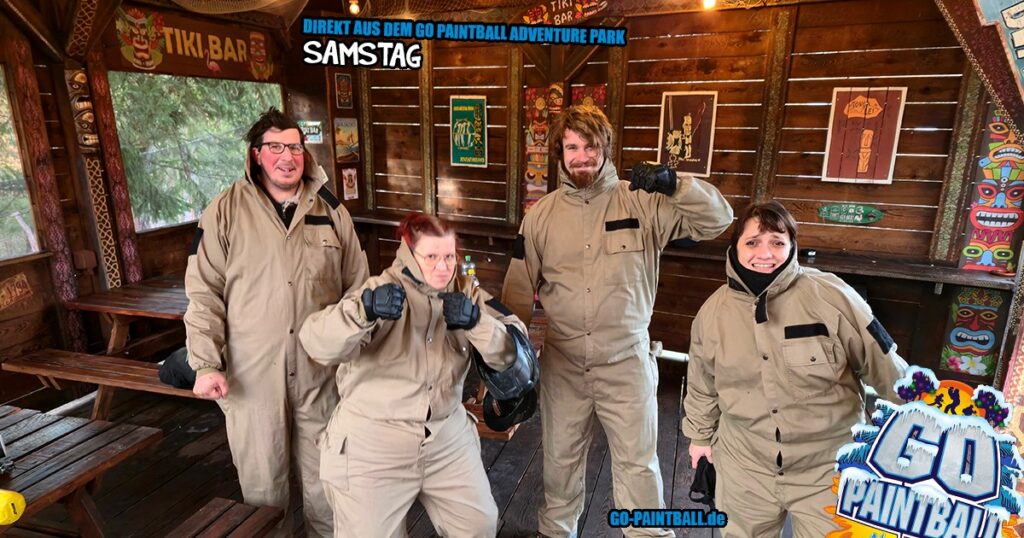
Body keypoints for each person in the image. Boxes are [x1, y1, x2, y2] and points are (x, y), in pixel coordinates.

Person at [501, 104, 734, 538]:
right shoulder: (540, 217)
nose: (582, 156)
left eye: (590, 146)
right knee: (560, 460)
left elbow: (718, 220)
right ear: (560, 153)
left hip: (626, 361)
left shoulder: (642, 202)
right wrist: (505, 366)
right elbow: (516, 292)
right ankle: (556, 532)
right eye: (572, 147)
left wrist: (674, 184)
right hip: (563, 363)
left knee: (638, 463)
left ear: (606, 148)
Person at [184, 107, 369, 537]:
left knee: (330, 488)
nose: (288, 157)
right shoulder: (225, 211)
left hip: (321, 376)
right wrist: (206, 363)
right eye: (276, 147)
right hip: (252, 378)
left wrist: (358, 359)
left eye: (295, 147)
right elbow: (203, 292)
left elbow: (358, 291)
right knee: (264, 495)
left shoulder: (332, 210)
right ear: (256, 154)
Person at [682, 200, 909, 537]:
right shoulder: (713, 312)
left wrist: (922, 428)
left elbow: (887, 366)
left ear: (792, 247)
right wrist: (700, 438)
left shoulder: (832, 297)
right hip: (745, 463)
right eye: (753, 242)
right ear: (736, 247)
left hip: (829, 466)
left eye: (777, 242)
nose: (765, 253)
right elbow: (702, 383)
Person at [299, 214, 532, 538]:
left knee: (478, 525)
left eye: (448, 256)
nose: (442, 266)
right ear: (410, 254)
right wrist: (363, 311)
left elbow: (514, 353)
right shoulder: (379, 289)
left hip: (445, 431)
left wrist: (476, 322)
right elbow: (316, 342)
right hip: (374, 438)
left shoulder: (467, 293)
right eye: (431, 256)